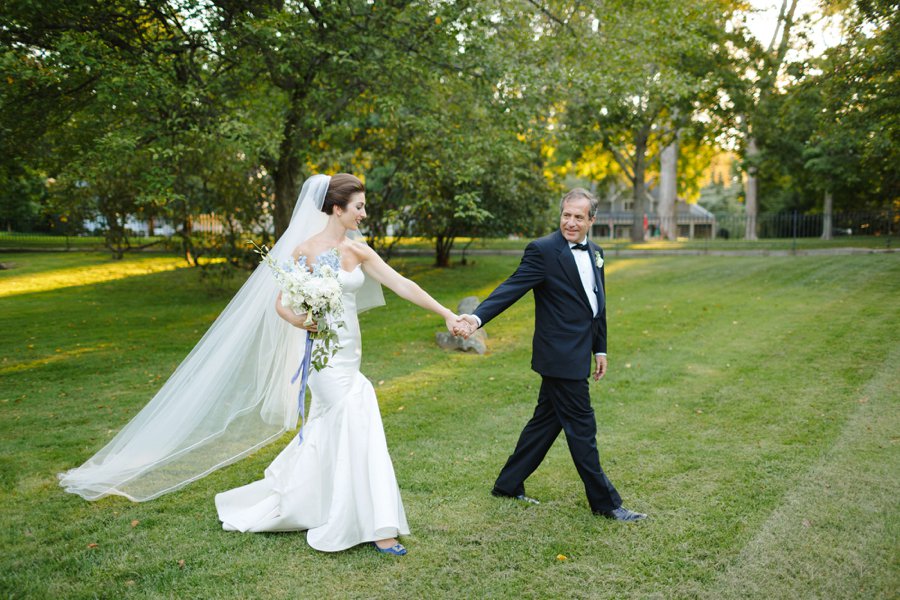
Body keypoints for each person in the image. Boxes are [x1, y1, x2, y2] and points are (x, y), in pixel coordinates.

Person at [59, 173, 461, 556]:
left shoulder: (358, 249)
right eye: (358, 206)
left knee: (337, 426)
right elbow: (281, 304)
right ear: (336, 209)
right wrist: (304, 320)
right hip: (323, 360)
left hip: (350, 353)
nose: (363, 214)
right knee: (359, 410)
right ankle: (378, 527)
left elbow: (402, 284)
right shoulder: (304, 251)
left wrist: (445, 312)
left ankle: (318, 502)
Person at [456, 188, 646, 521]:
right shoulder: (543, 251)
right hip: (559, 357)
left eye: (578, 216)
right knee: (583, 429)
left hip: (579, 352)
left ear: (592, 219)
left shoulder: (596, 252)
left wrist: (599, 348)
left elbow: (595, 306)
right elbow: (512, 287)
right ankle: (607, 504)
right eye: (566, 215)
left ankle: (508, 484)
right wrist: (476, 317)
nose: (570, 222)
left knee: (545, 423)